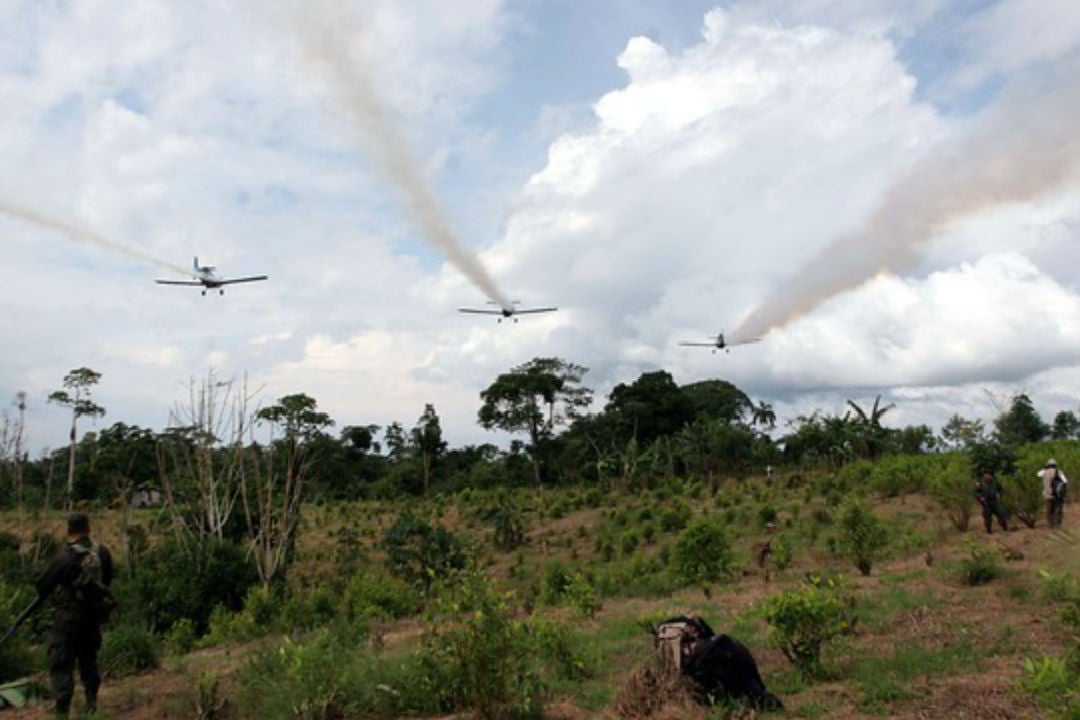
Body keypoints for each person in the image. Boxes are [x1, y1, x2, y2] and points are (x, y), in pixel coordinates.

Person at [36, 513, 114, 717]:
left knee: (61, 665)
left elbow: (43, 586)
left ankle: (62, 712)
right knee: (89, 661)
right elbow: (107, 582)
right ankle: (91, 704)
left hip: (66, 621)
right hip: (92, 620)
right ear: (88, 528)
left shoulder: (63, 557)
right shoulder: (102, 553)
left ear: (69, 531)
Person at [1039, 459, 1069, 529]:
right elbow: (1065, 481)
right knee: (1058, 510)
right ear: (1055, 465)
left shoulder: (1044, 472)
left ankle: (1050, 526)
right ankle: (1057, 526)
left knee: (1049, 511)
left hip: (1047, 495)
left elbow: (1038, 474)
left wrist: (1044, 468)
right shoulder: (1058, 472)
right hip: (1057, 495)